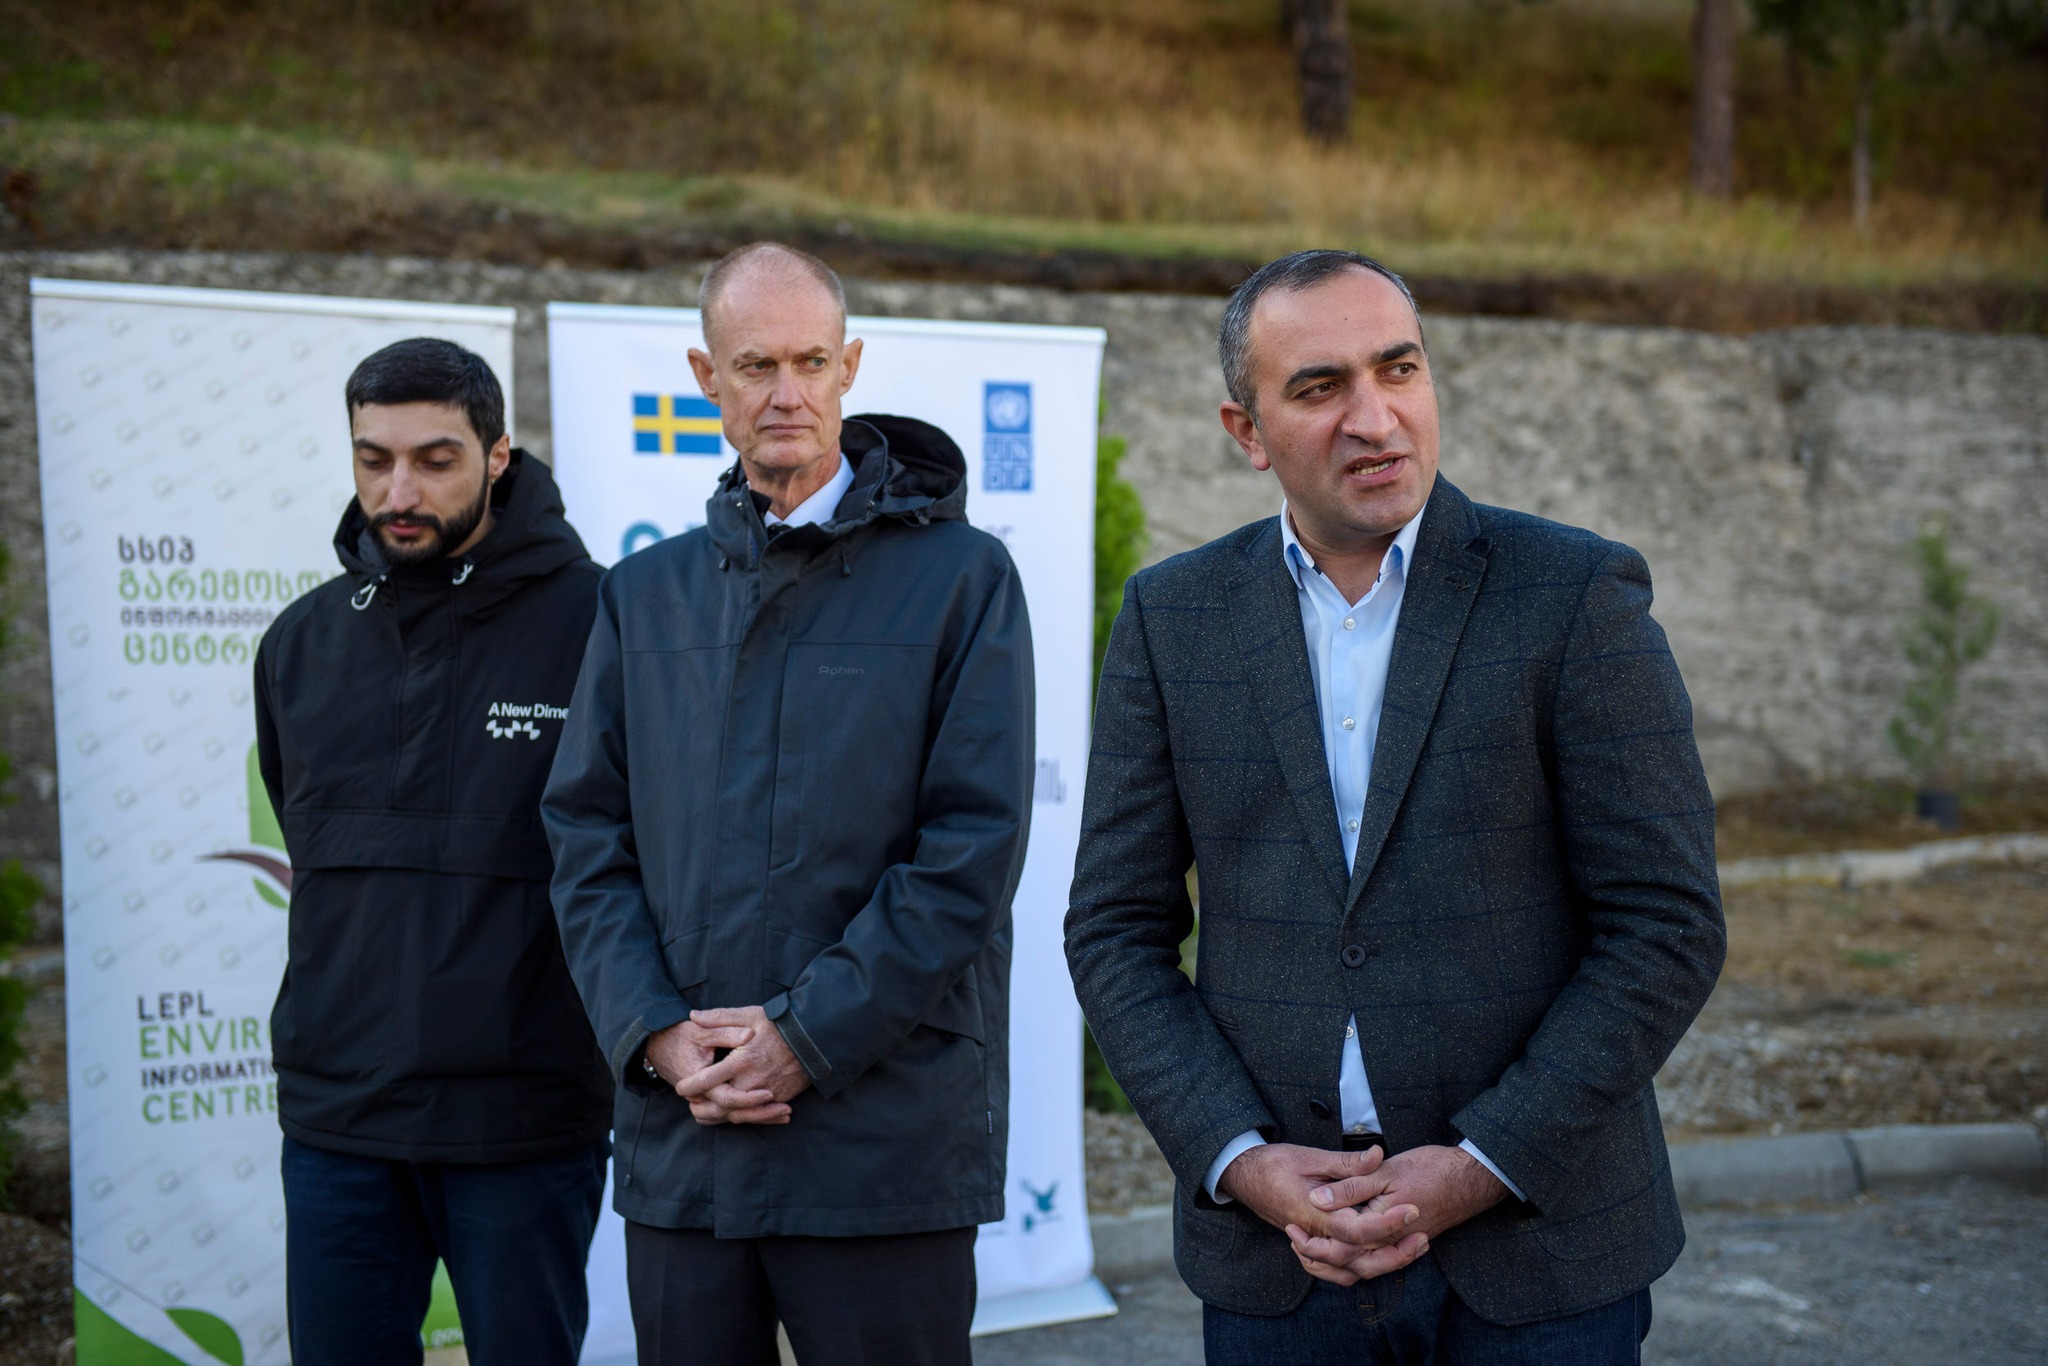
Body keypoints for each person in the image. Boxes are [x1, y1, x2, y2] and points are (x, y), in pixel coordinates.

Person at [1064, 249, 1725, 1363]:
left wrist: (1481, 1162)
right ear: (1245, 431)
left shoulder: (1573, 594)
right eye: (1320, 387)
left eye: (1398, 369)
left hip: (1540, 1256)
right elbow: (1114, 928)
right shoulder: (1173, 618)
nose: (1373, 419)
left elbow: (1667, 925)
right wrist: (1239, 1160)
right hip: (1279, 1261)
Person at [542, 241, 1034, 1366]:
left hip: (880, 1146)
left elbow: (970, 847)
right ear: (704, 377)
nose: (785, 393)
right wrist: (656, 1033)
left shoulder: (961, 579)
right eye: (754, 364)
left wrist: (806, 1039)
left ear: (848, 367)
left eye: (811, 362)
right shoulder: (644, 595)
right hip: (687, 1141)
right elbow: (585, 838)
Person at [254, 338, 612, 1366]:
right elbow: (310, 845)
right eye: (373, 460)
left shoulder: (601, 624)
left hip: (523, 1123)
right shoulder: (300, 643)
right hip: (338, 1123)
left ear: (499, 455)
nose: (398, 492)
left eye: (435, 459)